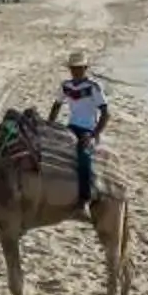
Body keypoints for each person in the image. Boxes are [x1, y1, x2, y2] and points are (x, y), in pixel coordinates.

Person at [49, 51, 109, 208]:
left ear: (85, 68)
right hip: (72, 125)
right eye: (73, 68)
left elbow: (105, 112)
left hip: (87, 129)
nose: (76, 71)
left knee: (83, 157)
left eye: (79, 68)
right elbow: (56, 105)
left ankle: (84, 198)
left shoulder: (93, 87)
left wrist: (95, 134)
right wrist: (50, 124)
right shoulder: (66, 86)